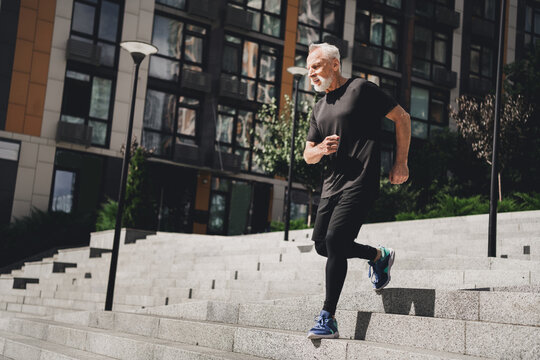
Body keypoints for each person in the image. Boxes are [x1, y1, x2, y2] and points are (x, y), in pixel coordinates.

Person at [303, 43, 411, 340]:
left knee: (336, 240)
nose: (310, 72)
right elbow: (307, 154)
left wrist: (400, 162)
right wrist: (321, 149)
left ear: (334, 65)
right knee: (323, 246)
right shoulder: (319, 107)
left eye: (315, 66)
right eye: (308, 68)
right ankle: (378, 255)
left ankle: (328, 317)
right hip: (331, 186)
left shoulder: (361, 89)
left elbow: (402, 117)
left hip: (361, 181)